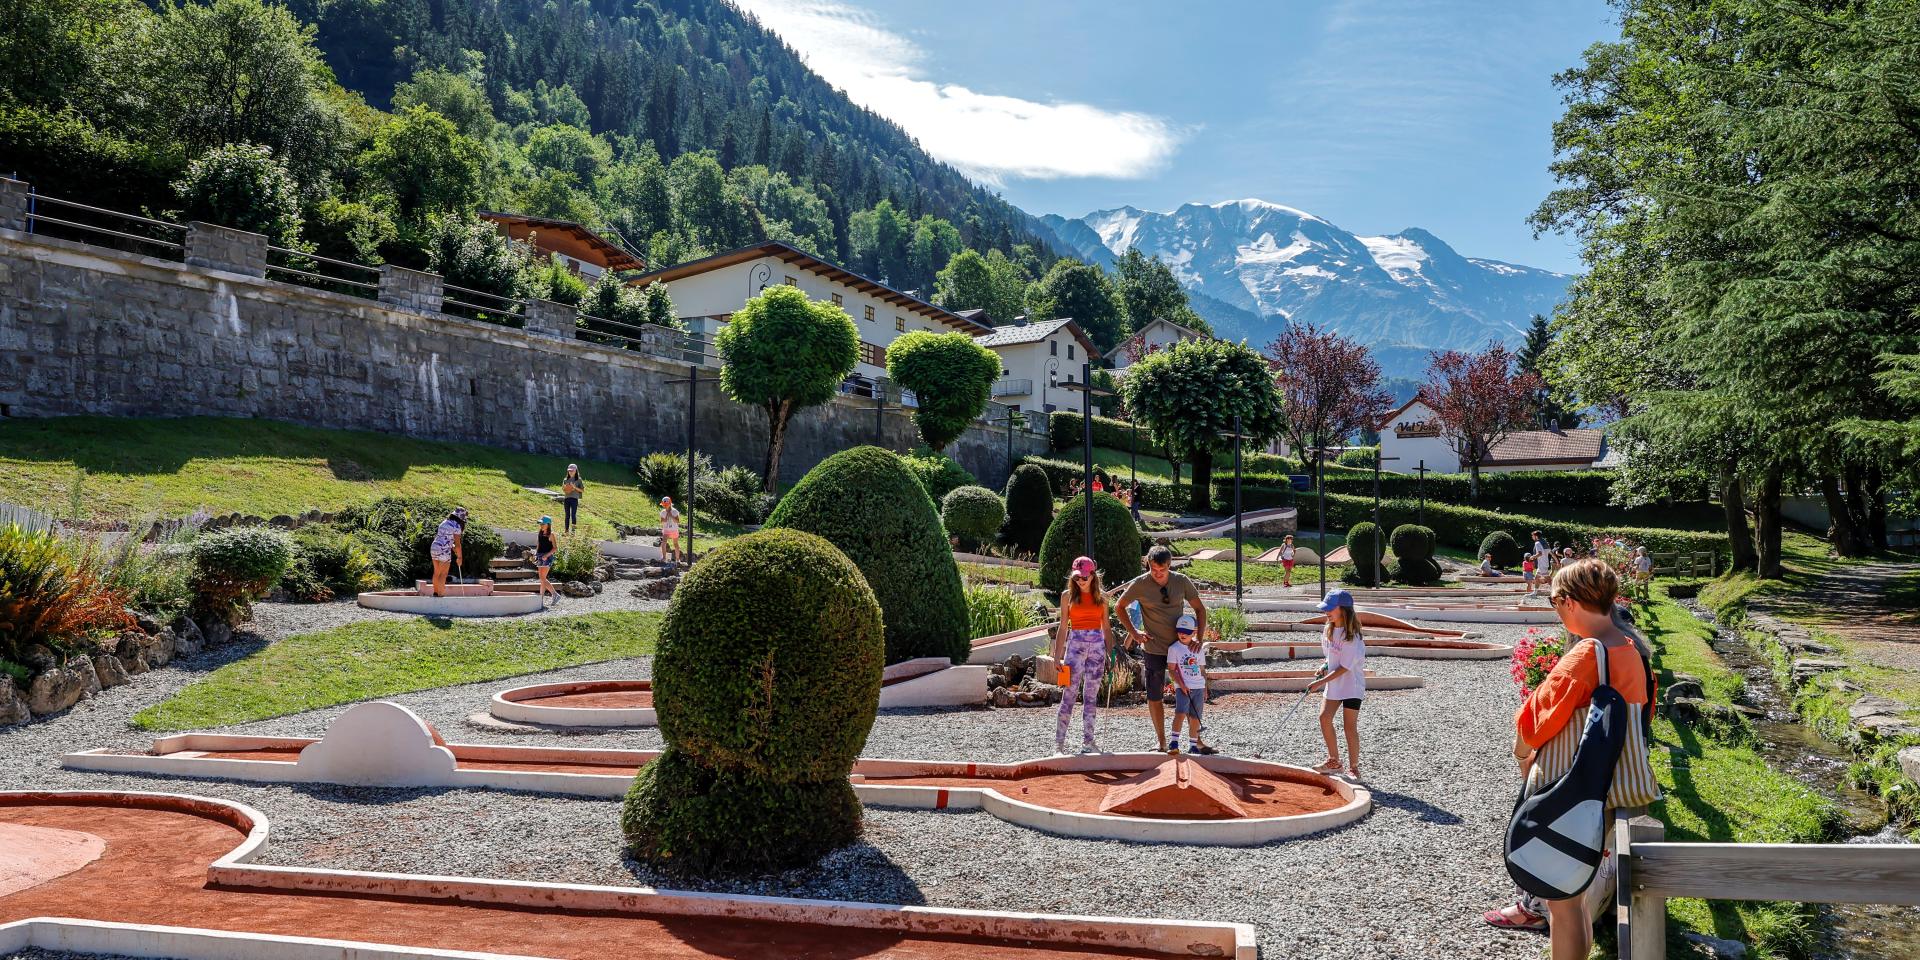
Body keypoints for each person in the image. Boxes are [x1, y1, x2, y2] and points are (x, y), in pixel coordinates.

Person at [1482, 558, 1657, 955]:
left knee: (1560, 903)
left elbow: (1536, 720)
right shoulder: (1628, 648)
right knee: (1575, 894)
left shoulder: (1585, 656)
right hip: (1610, 786)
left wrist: (1521, 752)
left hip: (1569, 786)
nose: (1556, 610)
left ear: (1571, 602)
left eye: (1555, 600)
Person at [1115, 545, 1209, 752]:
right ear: (1147, 564)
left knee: (1192, 691)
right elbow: (1119, 607)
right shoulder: (1140, 584)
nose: (1157, 574)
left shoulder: (1181, 581)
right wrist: (1135, 633)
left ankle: (1197, 742)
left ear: (1170, 565)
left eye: (1162, 570)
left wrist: (1198, 639)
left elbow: (1200, 609)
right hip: (1154, 648)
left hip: (1183, 648)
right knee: (1154, 695)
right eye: (1153, 570)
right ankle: (1162, 741)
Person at [1052, 556, 1112, 755]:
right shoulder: (1066, 596)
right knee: (1068, 694)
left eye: (1084, 577)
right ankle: (1059, 744)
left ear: (1093, 575)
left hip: (1097, 648)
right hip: (1075, 646)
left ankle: (1089, 742)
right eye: (1077, 577)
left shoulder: (1102, 597)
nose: (1080, 581)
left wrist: (1110, 652)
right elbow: (1062, 627)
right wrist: (1057, 655)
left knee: (1091, 696)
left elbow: (1106, 627)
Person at [1306, 589, 1366, 778]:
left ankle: (1354, 767)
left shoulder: (1352, 637)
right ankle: (1334, 761)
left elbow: (1345, 667)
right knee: (1324, 718)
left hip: (1351, 686)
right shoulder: (1328, 629)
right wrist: (1323, 666)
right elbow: (1331, 657)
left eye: (1331, 609)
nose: (1326, 612)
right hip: (1334, 684)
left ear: (1344, 610)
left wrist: (1320, 682)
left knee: (1349, 727)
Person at [1167, 613, 1215, 755]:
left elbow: (1202, 670)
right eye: (1180, 631)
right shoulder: (1174, 648)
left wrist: (1205, 688)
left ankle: (1193, 745)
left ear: (1194, 633)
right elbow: (1172, 670)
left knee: (1195, 718)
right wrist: (1181, 685)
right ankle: (1174, 742)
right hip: (1183, 688)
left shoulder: (1198, 649)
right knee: (1180, 713)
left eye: (1187, 633)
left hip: (1198, 687)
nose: (1182, 635)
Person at [429, 508, 467, 597]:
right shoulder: (456, 526)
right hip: (444, 550)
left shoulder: (444, 522)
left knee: (437, 572)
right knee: (443, 574)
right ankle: (441, 595)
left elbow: (445, 539)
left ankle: (435, 593)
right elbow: (457, 544)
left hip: (434, 547)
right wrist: (460, 557)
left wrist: (453, 549)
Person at [534, 516, 558, 605]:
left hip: (547, 557)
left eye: (543, 524)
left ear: (548, 524)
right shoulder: (540, 532)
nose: (541, 525)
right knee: (542, 578)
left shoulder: (551, 534)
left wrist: (546, 555)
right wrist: (535, 554)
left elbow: (555, 548)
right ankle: (541, 599)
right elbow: (538, 544)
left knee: (542, 578)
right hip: (540, 556)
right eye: (540, 523)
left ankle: (555, 594)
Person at [560, 464, 585, 534]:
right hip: (567, 499)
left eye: (572, 471)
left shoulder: (578, 480)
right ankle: (566, 531)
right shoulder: (565, 479)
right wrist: (566, 489)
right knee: (567, 515)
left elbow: (582, 490)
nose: (570, 472)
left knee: (573, 515)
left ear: (575, 471)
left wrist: (574, 487)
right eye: (569, 471)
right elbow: (564, 489)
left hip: (574, 499)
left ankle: (573, 532)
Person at [659, 497, 682, 565]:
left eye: (665, 504)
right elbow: (662, 521)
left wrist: (671, 516)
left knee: (675, 544)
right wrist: (666, 516)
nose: (664, 506)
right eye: (663, 505)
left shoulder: (675, 511)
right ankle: (664, 557)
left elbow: (677, 521)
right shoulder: (663, 512)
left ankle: (677, 559)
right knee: (663, 543)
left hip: (674, 530)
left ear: (670, 504)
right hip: (666, 530)